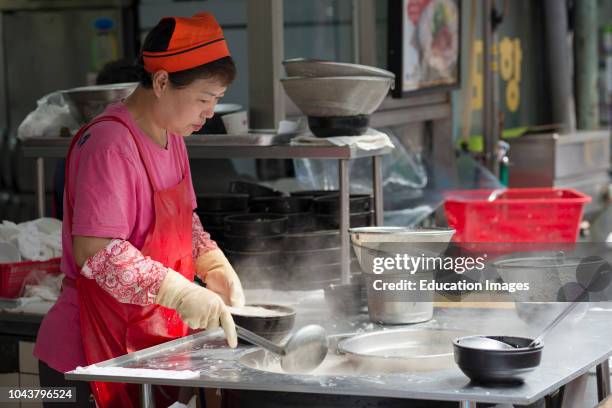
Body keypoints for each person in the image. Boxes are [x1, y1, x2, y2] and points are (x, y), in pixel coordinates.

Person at [34, 12, 245, 408]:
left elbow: (184, 221)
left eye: (215, 100)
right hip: (84, 358)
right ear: (162, 81)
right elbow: (96, 251)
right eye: (204, 99)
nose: (211, 113)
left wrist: (211, 262)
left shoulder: (173, 135)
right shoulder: (109, 144)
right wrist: (178, 292)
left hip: (145, 346)